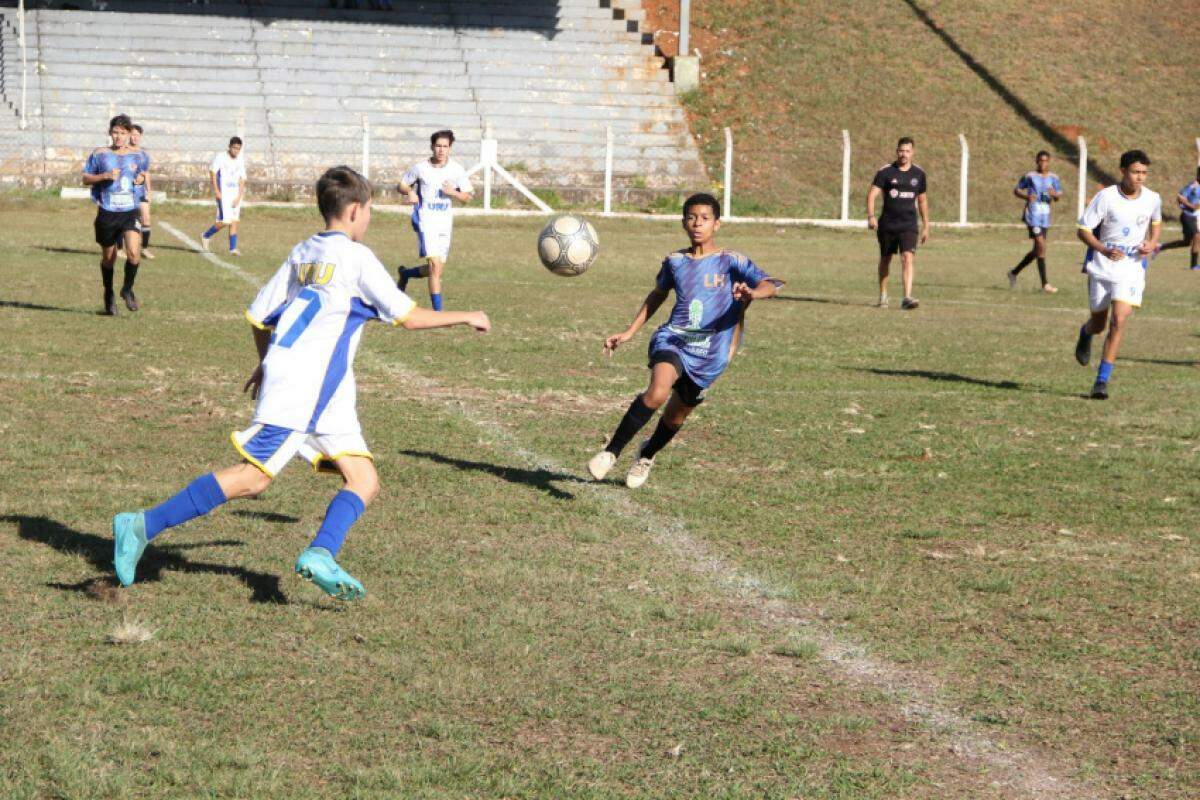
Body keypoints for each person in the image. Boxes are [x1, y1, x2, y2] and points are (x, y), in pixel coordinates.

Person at [112, 166, 491, 599]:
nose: (368, 219)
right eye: (368, 211)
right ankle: (141, 524)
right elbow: (408, 317)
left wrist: (267, 361)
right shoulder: (356, 258)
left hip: (323, 391)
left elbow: (258, 315)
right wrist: (466, 315)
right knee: (253, 479)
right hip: (305, 389)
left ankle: (321, 554)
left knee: (363, 479)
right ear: (353, 211)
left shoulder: (304, 251)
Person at [587, 193, 779, 489]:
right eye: (691, 218)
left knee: (676, 417)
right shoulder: (675, 262)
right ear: (683, 223)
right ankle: (610, 452)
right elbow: (657, 295)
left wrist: (753, 293)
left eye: (704, 218)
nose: (697, 223)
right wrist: (629, 332)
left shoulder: (731, 261)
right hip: (674, 339)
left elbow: (770, 284)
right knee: (657, 392)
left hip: (712, 352)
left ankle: (647, 454)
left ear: (717, 224)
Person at [1073, 150, 1161, 400]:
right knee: (1099, 323)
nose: (1140, 177)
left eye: (1144, 173)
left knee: (1119, 320)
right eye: (1135, 172)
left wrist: (1152, 242)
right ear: (1122, 171)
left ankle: (1101, 381)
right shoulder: (1106, 197)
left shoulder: (1152, 198)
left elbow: (1156, 223)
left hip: (1131, 267)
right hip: (1102, 265)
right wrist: (1102, 248)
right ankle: (1086, 332)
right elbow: (1083, 229)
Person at [395, 130, 473, 310]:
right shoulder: (421, 168)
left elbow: (467, 197)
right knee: (435, 265)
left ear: (450, 148)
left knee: (436, 270)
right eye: (438, 146)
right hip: (425, 220)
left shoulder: (456, 169)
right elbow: (402, 184)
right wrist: (410, 192)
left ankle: (406, 274)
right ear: (432, 147)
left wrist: (453, 192)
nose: (441, 150)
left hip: (445, 223)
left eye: (445, 147)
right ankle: (438, 313)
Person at [81, 113, 147, 315]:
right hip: (107, 213)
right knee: (109, 259)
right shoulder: (100, 154)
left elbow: (142, 176)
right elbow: (85, 178)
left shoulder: (139, 155)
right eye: (115, 132)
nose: (118, 136)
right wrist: (104, 176)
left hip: (130, 211)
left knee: (134, 253)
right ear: (110, 133)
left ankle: (127, 289)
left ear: (129, 134)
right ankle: (108, 293)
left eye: (123, 133)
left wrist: (141, 180)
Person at [866, 137, 928, 309]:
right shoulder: (886, 172)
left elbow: (922, 201)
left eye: (907, 151)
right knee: (885, 259)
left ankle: (907, 297)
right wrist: (871, 216)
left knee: (908, 257)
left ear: (913, 153)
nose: (904, 154)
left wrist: (926, 226)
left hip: (909, 225)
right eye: (901, 150)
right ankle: (883, 295)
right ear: (896, 151)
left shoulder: (919, 174)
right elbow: (872, 195)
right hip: (888, 224)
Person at [1007, 150, 1062, 292]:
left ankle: (1013, 273)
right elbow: (1017, 190)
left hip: (1045, 216)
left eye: (1045, 161)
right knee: (1041, 245)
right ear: (1036, 161)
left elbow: (1058, 195)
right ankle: (1045, 284)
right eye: (1040, 160)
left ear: (1049, 162)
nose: (1043, 163)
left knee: (1038, 250)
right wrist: (1026, 197)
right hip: (1032, 215)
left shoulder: (1053, 178)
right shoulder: (1030, 176)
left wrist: (1054, 194)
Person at [201, 136, 246, 255]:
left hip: (235, 195)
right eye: (234, 148)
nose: (236, 151)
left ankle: (233, 249)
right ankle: (206, 235)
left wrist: (239, 197)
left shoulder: (240, 160)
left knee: (234, 221)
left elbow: (242, 179)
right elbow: (213, 172)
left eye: (238, 149)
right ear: (230, 147)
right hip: (224, 194)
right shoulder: (221, 157)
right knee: (225, 221)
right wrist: (216, 190)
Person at [1159, 167, 1200, 269]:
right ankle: (1194, 265)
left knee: (1187, 242)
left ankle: (1160, 247)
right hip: (1188, 216)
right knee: (1197, 236)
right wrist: (1191, 206)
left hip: (1195, 217)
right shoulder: (1193, 185)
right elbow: (1180, 197)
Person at [127, 123, 155, 260]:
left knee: (146, 218)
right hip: (126, 191)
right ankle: (120, 249)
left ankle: (144, 248)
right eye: (132, 134)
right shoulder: (124, 152)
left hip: (140, 191)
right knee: (125, 220)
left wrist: (149, 191)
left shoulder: (144, 155)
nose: (134, 137)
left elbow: (146, 173)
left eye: (137, 135)